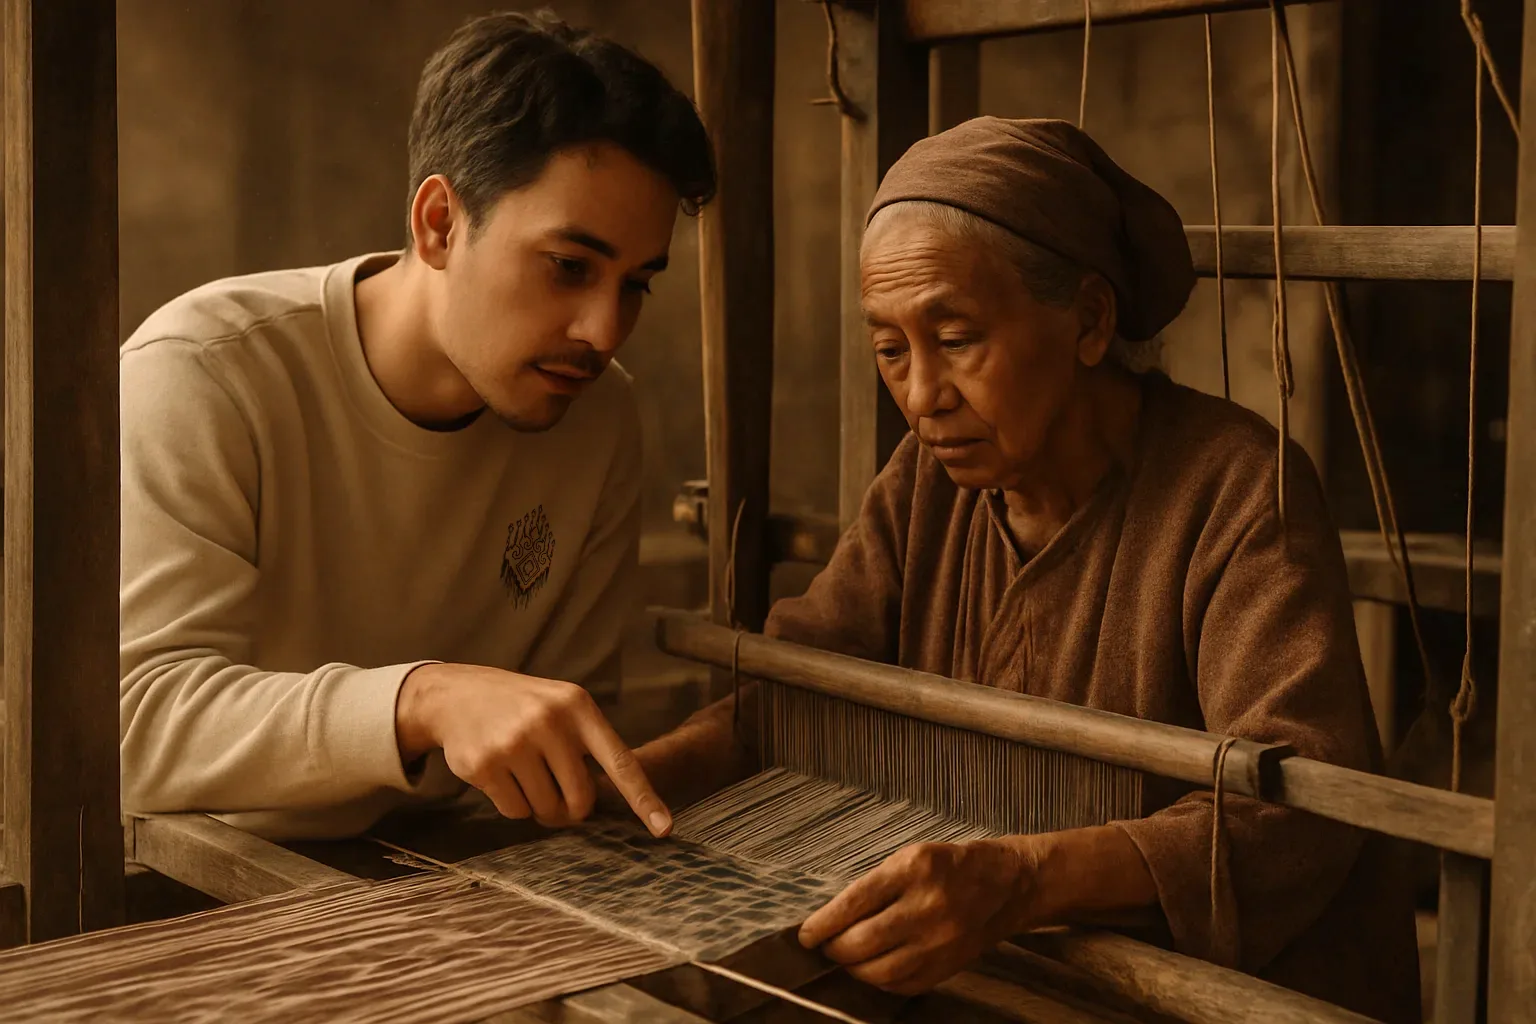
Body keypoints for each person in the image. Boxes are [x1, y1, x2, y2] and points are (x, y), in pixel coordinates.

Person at [627, 118, 1421, 1022]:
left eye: (956, 337)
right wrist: (631, 789)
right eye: (891, 351)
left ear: (1088, 320)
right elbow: (797, 692)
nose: (922, 396)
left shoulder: (1237, 489)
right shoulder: (929, 483)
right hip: (994, 978)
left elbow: (1298, 807)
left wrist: (1021, 879)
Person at [119, 10, 714, 842]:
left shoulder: (600, 412)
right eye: (569, 268)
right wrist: (420, 700)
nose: (603, 330)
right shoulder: (203, 372)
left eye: (636, 284)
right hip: (187, 884)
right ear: (438, 223)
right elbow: (132, 726)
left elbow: (559, 742)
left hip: (445, 881)